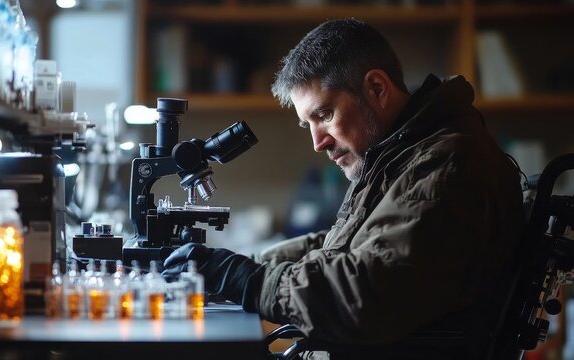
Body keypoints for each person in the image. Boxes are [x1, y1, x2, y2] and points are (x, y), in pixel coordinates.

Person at [163, 18, 525, 358]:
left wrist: (249, 280)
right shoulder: (396, 154)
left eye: (324, 116)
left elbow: (366, 294)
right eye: (309, 124)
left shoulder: (446, 165)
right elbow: (340, 246)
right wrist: (243, 269)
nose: (318, 143)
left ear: (377, 88)